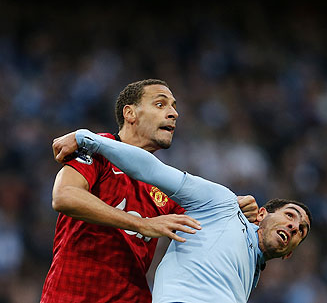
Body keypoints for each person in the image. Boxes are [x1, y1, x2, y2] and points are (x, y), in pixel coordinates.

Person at [41, 79, 258, 303]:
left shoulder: (163, 185)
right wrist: (142, 224)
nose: (174, 113)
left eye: (174, 107)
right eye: (160, 104)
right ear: (130, 114)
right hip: (72, 294)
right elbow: (64, 196)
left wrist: (236, 209)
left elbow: (206, 220)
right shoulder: (98, 148)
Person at [52, 129, 312, 303]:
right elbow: (152, 169)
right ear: (263, 214)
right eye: (290, 215)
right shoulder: (222, 205)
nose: (293, 226)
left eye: (301, 230)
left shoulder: (250, 273)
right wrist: (87, 138)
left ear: (289, 253)